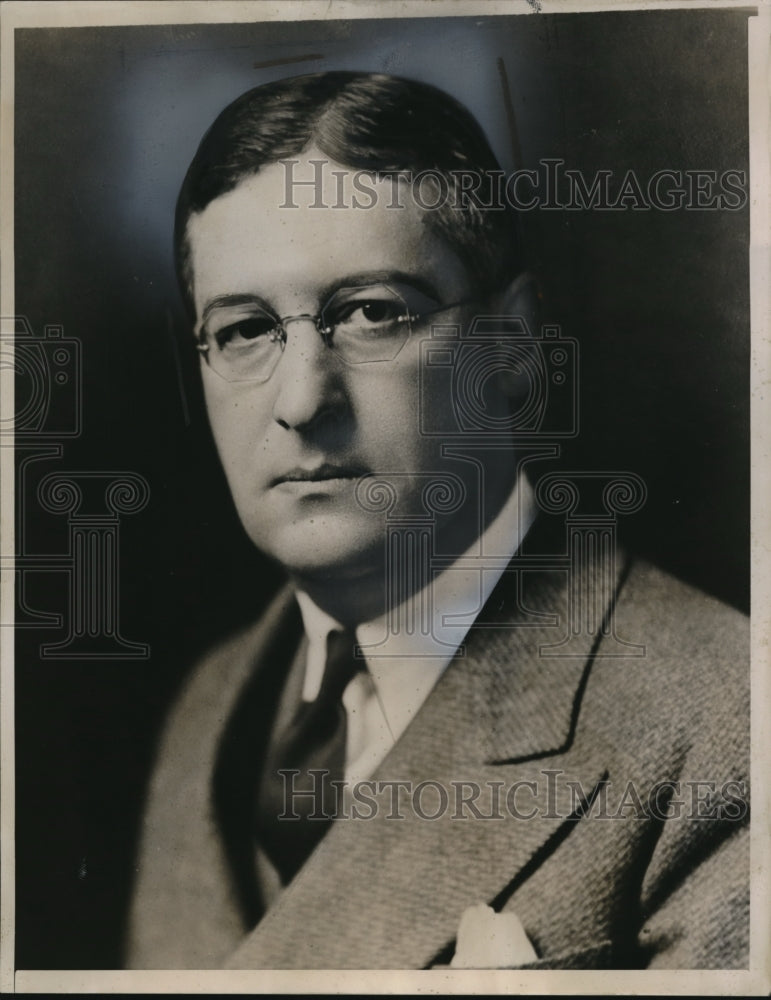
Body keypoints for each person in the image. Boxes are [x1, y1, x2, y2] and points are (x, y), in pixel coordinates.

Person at [126, 72, 749, 971]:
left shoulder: (724, 731)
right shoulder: (210, 711)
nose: (301, 401)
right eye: (244, 329)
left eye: (372, 313)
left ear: (511, 344)